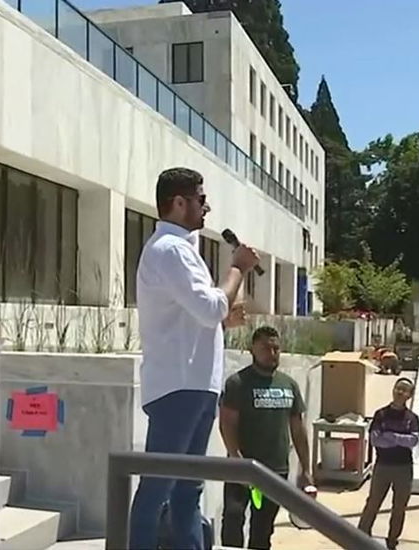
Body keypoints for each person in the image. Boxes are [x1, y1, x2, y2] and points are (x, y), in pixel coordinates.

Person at [130, 167, 260, 550]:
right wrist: (237, 267)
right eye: (201, 199)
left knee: (189, 488)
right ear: (179, 202)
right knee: (158, 486)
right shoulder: (170, 249)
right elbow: (209, 306)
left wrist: (222, 319)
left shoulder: (181, 249)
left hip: (196, 383)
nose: (207, 207)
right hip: (178, 385)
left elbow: (198, 316)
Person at [218, 326, 311, 549]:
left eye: (276, 348)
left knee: (262, 529)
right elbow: (227, 424)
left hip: (274, 472)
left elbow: (298, 429)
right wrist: (235, 457)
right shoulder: (238, 383)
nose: (272, 353)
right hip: (242, 469)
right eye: (266, 348)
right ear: (253, 350)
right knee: (233, 519)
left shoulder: (288, 385)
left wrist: (306, 469)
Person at [358, 377, 419, 550]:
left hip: (403, 468)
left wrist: (391, 436)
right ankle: (361, 535)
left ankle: (392, 540)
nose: (399, 392)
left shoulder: (412, 418)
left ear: (409, 395)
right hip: (383, 466)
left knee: (399, 506)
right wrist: (400, 439)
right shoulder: (381, 414)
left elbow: (413, 441)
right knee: (373, 503)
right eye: (397, 388)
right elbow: (375, 440)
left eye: (404, 390)